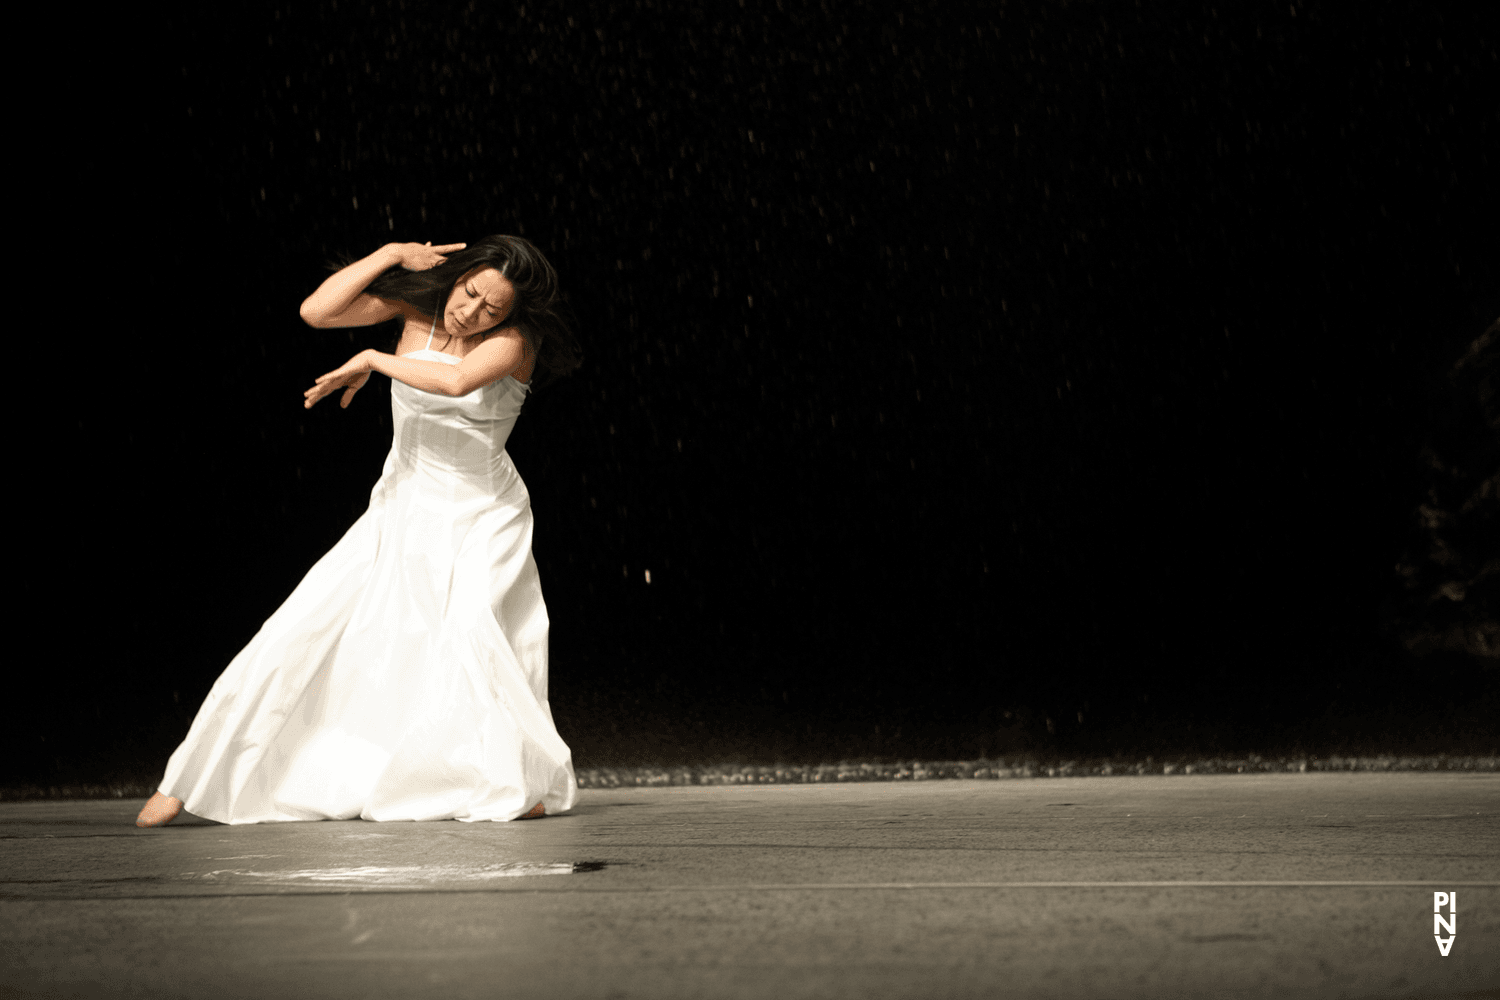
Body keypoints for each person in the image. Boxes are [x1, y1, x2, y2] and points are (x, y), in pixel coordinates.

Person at [136, 235, 582, 827]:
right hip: (401, 501)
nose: (472, 313)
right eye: (471, 293)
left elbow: (454, 383)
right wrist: (392, 253)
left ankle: (507, 780)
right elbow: (316, 313)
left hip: (483, 512)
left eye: (491, 309)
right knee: (299, 626)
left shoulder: (514, 342)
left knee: (473, 634)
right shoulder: (416, 311)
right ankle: (189, 779)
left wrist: (372, 360)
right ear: (460, 274)